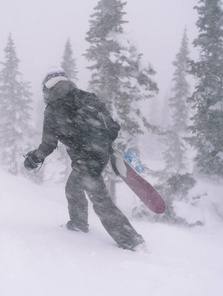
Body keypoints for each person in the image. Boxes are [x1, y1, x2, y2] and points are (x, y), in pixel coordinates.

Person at [24, 67, 147, 252]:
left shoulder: (53, 108)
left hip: (84, 161)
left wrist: (34, 158)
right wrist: (101, 144)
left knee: (100, 200)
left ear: (48, 89)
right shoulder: (87, 97)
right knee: (73, 188)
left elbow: (49, 143)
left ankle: (132, 240)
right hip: (99, 154)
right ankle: (78, 224)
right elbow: (113, 127)